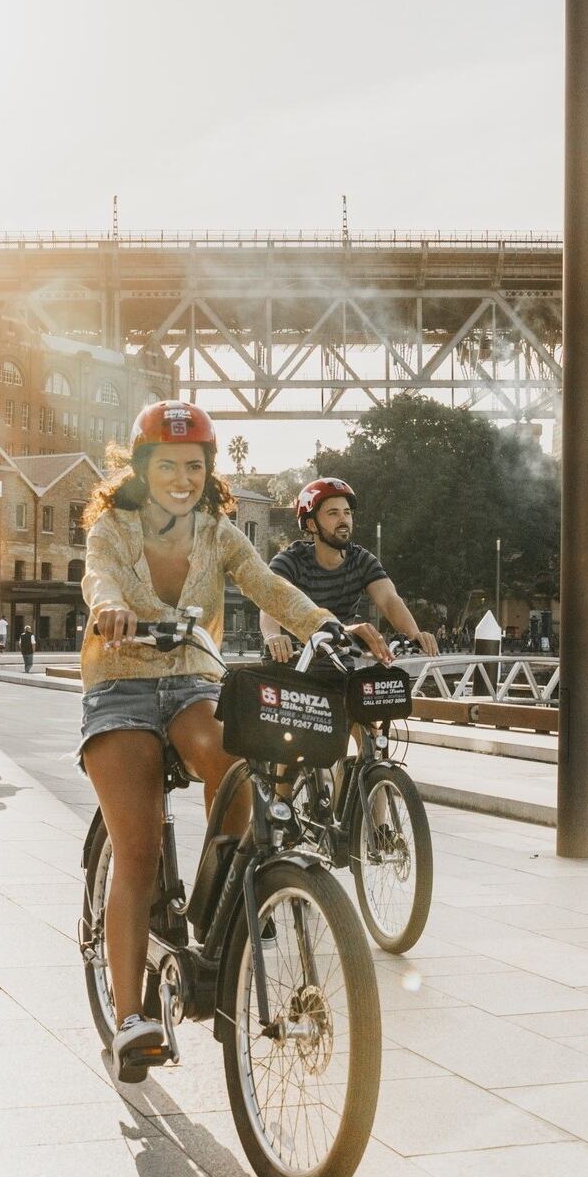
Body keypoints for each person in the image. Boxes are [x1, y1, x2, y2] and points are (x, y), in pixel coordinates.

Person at [79, 401, 388, 1074]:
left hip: (191, 680)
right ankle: (130, 1017)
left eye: (195, 466)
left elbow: (267, 585)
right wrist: (107, 609)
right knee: (135, 845)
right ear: (141, 467)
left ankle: (221, 907)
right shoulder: (112, 528)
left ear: (208, 469)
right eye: (168, 465)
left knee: (236, 758)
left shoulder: (218, 533)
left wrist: (322, 624)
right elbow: (97, 576)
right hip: (121, 683)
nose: (183, 478)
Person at [258, 478, 439, 662]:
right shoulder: (291, 560)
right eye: (333, 513)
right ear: (312, 524)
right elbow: (271, 602)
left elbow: (389, 599)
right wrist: (273, 636)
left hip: (338, 662)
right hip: (293, 663)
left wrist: (414, 634)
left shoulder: (361, 560)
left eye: (347, 513)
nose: (343, 520)